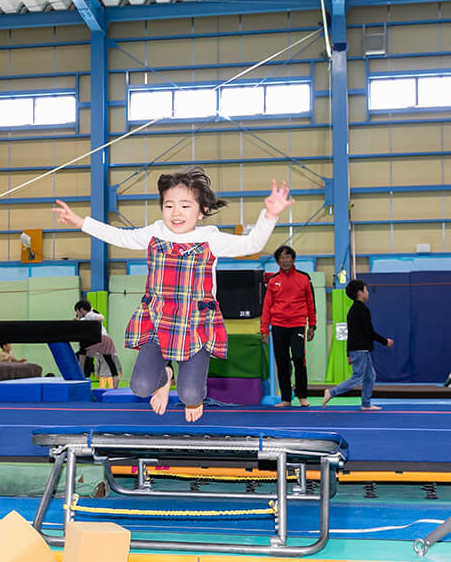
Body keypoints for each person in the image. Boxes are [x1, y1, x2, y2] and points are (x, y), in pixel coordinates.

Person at [53, 167, 292, 422]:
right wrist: (81, 222)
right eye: (169, 206)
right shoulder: (155, 233)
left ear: (202, 211)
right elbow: (119, 236)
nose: (176, 212)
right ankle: (165, 377)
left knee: (191, 395)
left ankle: (190, 392)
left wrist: (270, 215)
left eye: (185, 206)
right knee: (140, 387)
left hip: (195, 324)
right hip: (159, 320)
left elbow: (252, 244)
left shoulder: (209, 238)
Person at [323, 279, 393, 410]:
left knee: (370, 377)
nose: (368, 293)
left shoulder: (352, 310)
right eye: (366, 290)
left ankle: (365, 404)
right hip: (360, 350)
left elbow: (350, 334)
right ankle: (331, 392)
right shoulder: (362, 309)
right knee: (357, 378)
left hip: (360, 350)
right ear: (360, 293)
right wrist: (385, 341)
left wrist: (348, 353)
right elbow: (369, 332)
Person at [260, 245, 316, 407]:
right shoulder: (273, 281)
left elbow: (310, 303)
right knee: (282, 361)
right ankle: (286, 398)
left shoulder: (304, 278)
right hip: (278, 325)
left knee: (299, 359)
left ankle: (302, 396)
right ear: (277, 262)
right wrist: (264, 329)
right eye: (281, 258)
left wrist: (312, 325)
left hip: (298, 325)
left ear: (293, 259)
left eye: (287, 257)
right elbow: (266, 306)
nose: (285, 261)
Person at [74, 300, 122, 388]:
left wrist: (96, 320)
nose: (77, 314)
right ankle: (115, 377)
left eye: (77, 312)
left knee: (82, 350)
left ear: (81, 310)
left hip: (100, 338)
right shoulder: (87, 317)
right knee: (108, 359)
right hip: (106, 339)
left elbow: (100, 317)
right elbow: (84, 321)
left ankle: (81, 374)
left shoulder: (89, 315)